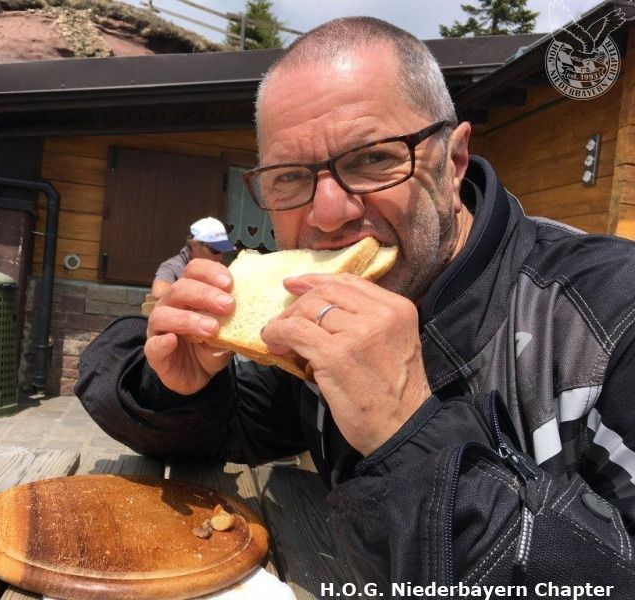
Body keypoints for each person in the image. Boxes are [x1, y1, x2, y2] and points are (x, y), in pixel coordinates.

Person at [76, 16, 635, 594]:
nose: (328, 214)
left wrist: (409, 431)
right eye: (289, 177)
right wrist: (175, 391)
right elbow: (230, 428)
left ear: (453, 161)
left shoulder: (610, 316)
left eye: (372, 159)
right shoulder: (313, 324)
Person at [150, 217, 235, 300]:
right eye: (215, 249)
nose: (221, 256)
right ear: (194, 244)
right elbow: (158, 292)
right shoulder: (173, 266)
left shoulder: (221, 264)